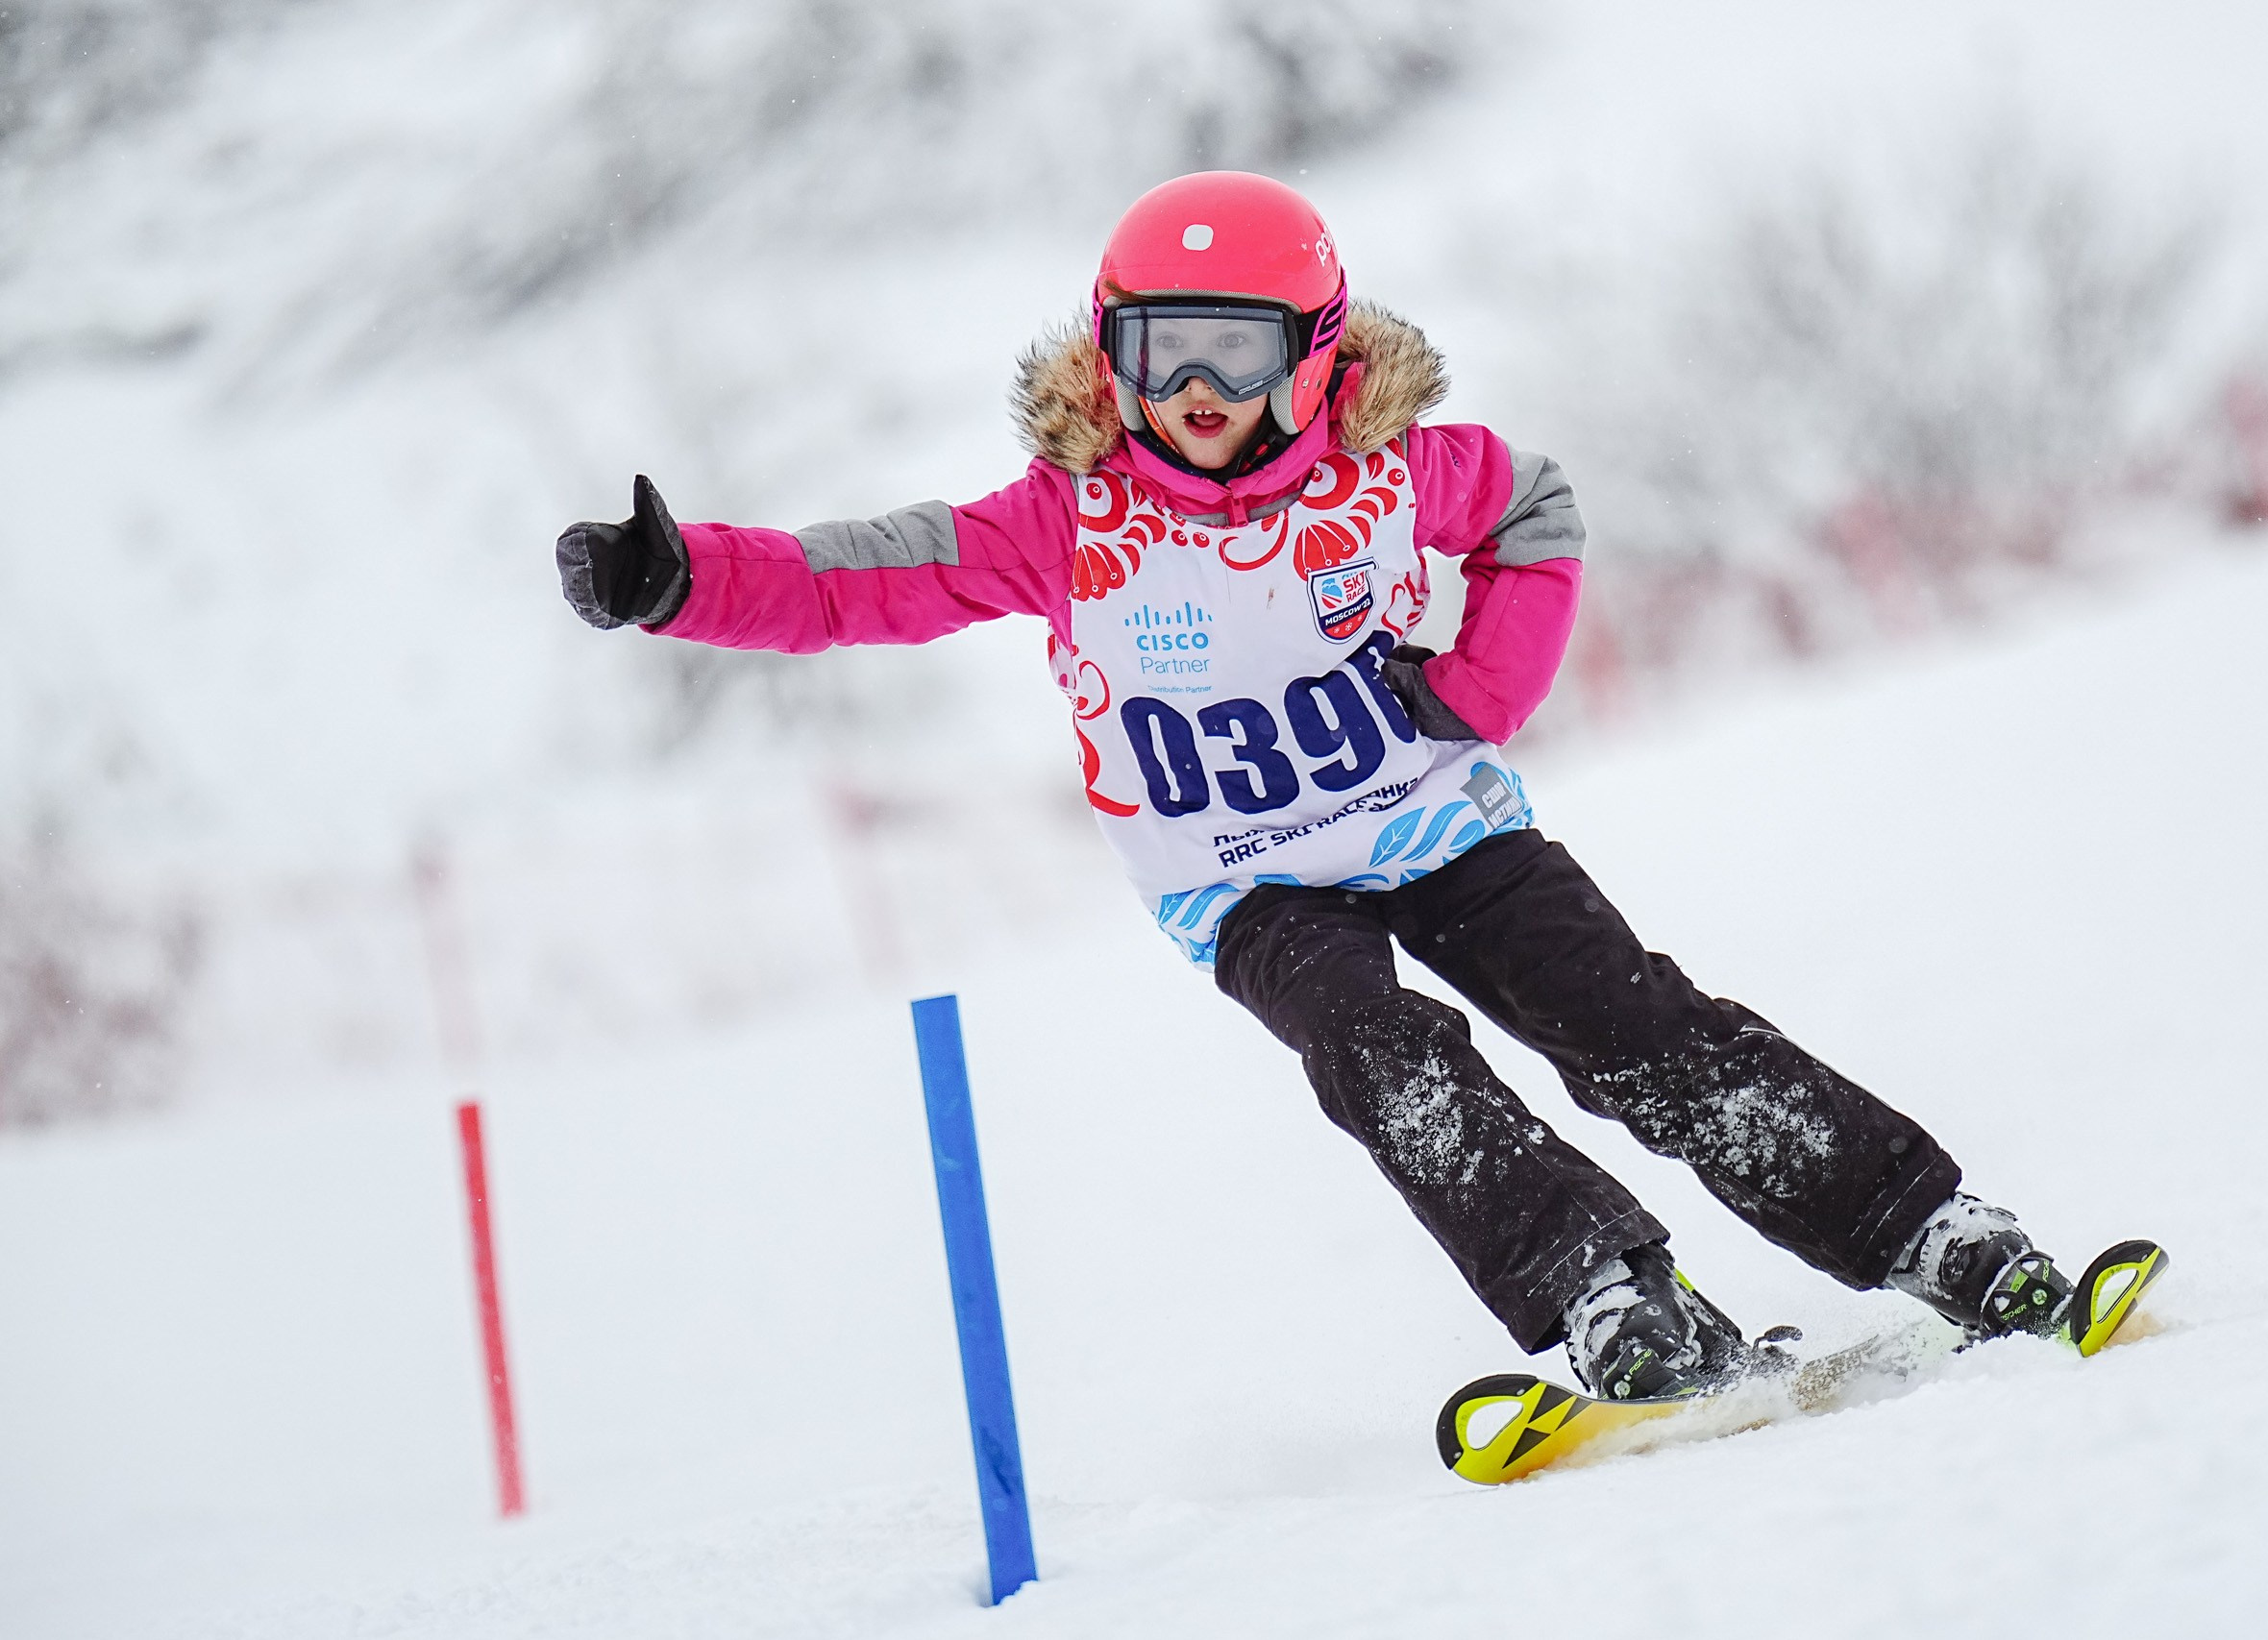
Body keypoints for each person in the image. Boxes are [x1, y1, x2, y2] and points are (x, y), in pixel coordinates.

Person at [557, 172, 2112, 1401]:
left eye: (1236, 351)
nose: (1198, 391)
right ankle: (1608, 1295)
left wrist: (1481, 689)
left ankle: (1923, 1230)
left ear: (1315, 355)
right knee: (1384, 1056)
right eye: (1162, 352)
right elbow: (852, 581)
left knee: (1636, 1028)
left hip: (1435, 823)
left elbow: (1538, 507)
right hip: (1244, 879)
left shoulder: (1388, 470)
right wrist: (680, 578)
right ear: (1113, 354)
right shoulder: (1066, 519)